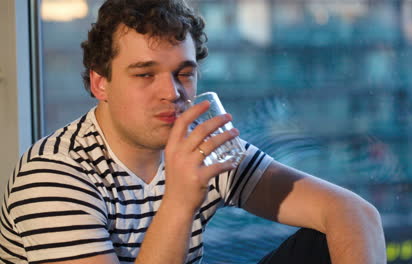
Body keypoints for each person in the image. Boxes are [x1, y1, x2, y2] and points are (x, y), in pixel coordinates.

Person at [0, 0, 386, 263]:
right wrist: (182, 200)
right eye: (145, 74)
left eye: (183, 73)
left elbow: (354, 214)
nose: (172, 92)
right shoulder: (52, 176)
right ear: (101, 84)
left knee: (327, 239)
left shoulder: (202, 146)